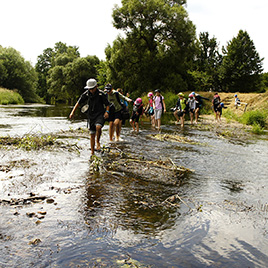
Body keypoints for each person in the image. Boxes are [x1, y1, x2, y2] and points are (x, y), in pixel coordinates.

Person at [69, 78, 110, 157]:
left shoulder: (101, 94)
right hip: (91, 116)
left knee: (98, 127)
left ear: (96, 87)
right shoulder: (86, 94)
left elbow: (107, 104)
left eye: (92, 89)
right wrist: (72, 112)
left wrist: (107, 112)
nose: (91, 90)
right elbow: (78, 102)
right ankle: (92, 153)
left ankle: (98, 142)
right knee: (92, 134)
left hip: (100, 114)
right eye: (89, 89)